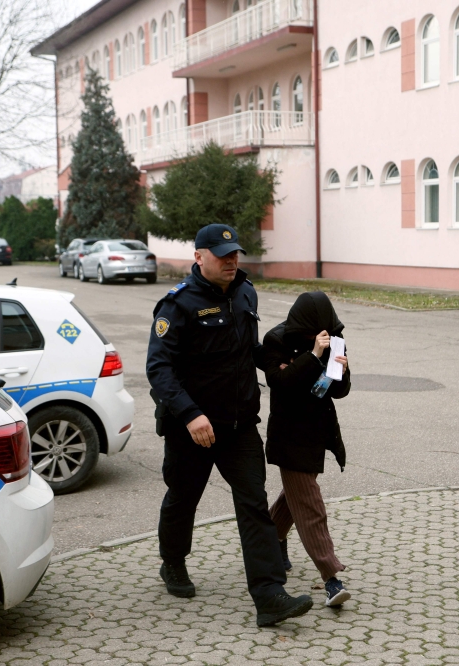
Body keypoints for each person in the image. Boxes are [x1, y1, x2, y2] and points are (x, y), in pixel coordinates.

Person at [146, 223, 314, 627]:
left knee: (253, 503)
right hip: (193, 429)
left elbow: (247, 348)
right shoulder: (177, 305)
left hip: (239, 425)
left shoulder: (244, 291)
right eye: (223, 256)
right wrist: (189, 414)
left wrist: (278, 363)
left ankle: (270, 595)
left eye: (235, 254)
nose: (232, 261)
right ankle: (172, 561)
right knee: (183, 498)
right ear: (199, 256)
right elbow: (159, 368)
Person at [262, 291, 352, 608]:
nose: (324, 335)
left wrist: (342, 369)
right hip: (289, 435)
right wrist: (313, 356)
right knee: (311, 506)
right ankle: (332, 579)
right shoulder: (275, 340)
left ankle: (270, 539)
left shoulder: (335, 339)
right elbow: (281, 383)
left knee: (296, 496)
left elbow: (336, 390)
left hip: (317, 432)